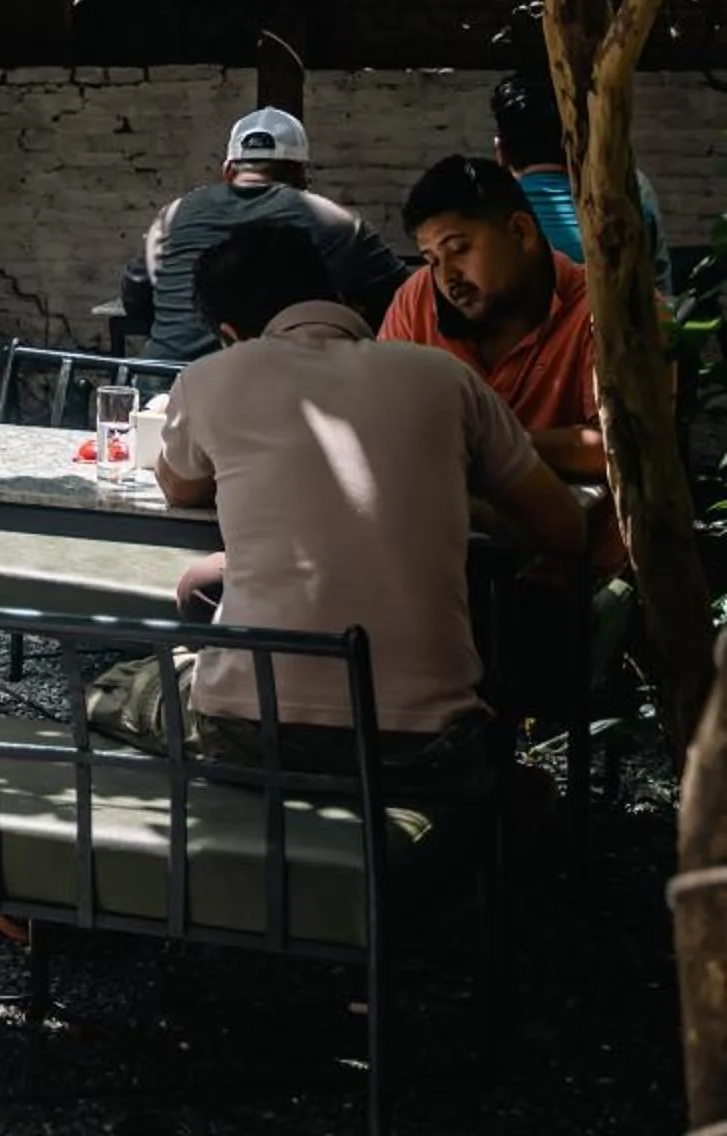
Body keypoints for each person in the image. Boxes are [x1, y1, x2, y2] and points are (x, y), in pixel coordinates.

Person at [102, 224, 585, 787]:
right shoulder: (445, 379)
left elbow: (179, 488)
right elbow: (564, 526)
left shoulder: (209, 378)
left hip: (252, 730)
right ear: (330, 293)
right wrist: (453, 501)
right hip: (428, 742)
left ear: (230, 334)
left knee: (119, 687)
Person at [381, 155, 620, 565]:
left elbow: (620, 449)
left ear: (520, 231)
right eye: (432, 260)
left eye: (459, 249)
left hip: (578, 576)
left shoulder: (606, 312)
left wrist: (487, 446)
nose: (447, 277)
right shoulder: (417, 299)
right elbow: (381, 421)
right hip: (444, 564)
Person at [127, 108, 409, 363]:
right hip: (275, 386)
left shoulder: (172, 215)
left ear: (227, 170)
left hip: (161, 382)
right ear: (301, 174)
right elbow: (403, 299)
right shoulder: (338, 223)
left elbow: (135, 296)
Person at [489, 68, 670, 276]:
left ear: (501, 150)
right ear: (581, 140)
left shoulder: (480, 218)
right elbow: (662, 296)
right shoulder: (634, 197)